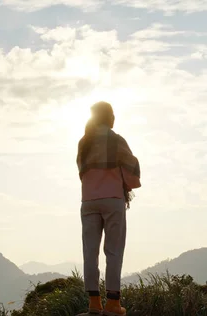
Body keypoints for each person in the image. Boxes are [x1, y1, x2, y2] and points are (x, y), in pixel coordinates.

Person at [76, 101, 141, 316]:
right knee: (113, 252)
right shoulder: (116, 140)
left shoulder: (83, 142)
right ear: (109, 117)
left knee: (90, 252)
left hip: (88, 201)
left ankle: (94, 302)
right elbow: (132, 168)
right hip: (112, 199)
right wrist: (125, 181)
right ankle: (113, 303)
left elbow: (81, 172)